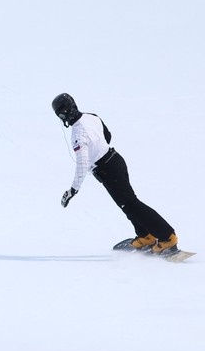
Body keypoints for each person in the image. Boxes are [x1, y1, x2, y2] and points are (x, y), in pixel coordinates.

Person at [52, 93, 180, 256]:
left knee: (132, 204)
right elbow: (108, 136)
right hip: (116, 161)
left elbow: (82, 165)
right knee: (128, 204)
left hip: (107, 169)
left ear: (62, 115)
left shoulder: (77, 134)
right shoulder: (91, 116)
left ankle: (167, 237)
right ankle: (145, 236)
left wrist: (73, 190)